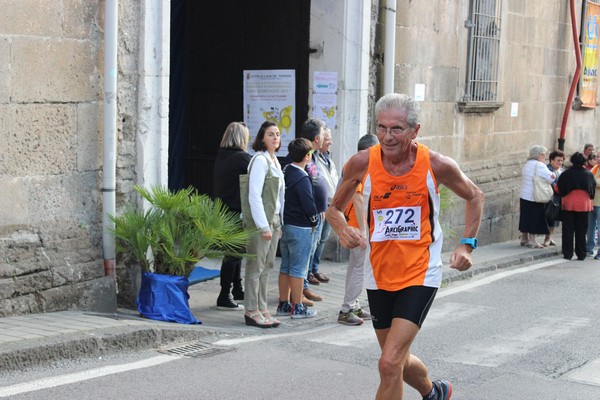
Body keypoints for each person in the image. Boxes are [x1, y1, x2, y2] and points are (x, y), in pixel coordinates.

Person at [326, 93, 484, 400]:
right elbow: (333, 210)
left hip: (420, 272)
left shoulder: (436, 165)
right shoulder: (361, 163)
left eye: (396, 128)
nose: (387, 137)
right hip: (379, 273)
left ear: (415, 130)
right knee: (395, 358)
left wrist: (467, 246)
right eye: (382, 127)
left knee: (388, 363)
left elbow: (475, 195)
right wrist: (343, 230)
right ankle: (434, 392)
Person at [244, 121, 285, 328]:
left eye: (277, 134)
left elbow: (279, 198)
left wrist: (279, 223)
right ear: (262, 138)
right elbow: (254, 196)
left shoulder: (274, 160)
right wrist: (263, 225)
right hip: (262, 222)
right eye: (271, 134)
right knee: (255, 266)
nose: (275, 138)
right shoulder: (260, 160)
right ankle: (251, 310)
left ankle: (262, 307)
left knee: (267, 266)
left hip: (275, 220)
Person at [337, 133, 379, 326]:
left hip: (357, 223)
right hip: (357, 225)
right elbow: (358, 198)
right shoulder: (360, 165)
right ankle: (346, 310)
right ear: (368, 150)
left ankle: (354, 305)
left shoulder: (353, 164)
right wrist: (363, 231)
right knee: (358, 269)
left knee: (356, 268)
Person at [276, 138, 319, 319]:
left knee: (285, 266)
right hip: (300, 227)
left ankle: (284, 303)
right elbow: (308, 204)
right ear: (307, 156)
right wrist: (314, 220)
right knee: (299, 269)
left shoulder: (285, 170)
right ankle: (297, 306)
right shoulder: (302, 177)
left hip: (285, 224)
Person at [213, 122, 252, 310]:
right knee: (233, 255)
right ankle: (224, 294)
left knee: (235, 253)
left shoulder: (222, 156)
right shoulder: (242, 158)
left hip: (223, 210)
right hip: (235, 210)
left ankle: (236, 288)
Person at [309, 127, 339, 285]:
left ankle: (314, 269)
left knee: (322, 240)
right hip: (320, 206)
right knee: (315, 240)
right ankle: (308, 273)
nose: (330, 142)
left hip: (330, 204)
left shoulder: (328, 158)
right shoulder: (312, 158)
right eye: (327, 139)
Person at [557, 152, 595, 261]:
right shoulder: (588, 174)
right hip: (584, 205)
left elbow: (559, 188)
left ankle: (568, 253)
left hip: (568, 204)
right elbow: (592, 191)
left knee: (568, 230)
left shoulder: (566, 174)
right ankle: (581, 253)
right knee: (581, 230)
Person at [518, 145, 555, 248]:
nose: (544, 156)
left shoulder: (527, 164)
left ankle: (524, 238)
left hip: (524, 194)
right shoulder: (540, 165)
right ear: (538, 155)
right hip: (534, 196)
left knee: (525, 217)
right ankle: (532, 240)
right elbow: (551, 178)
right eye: (543, 154)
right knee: (534, 217)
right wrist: (553, 174)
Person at [543, 150, 565, 247]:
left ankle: (550, 237)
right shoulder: (548, 170)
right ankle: (547, 238)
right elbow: (552, 184)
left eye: (561, 160)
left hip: (557, 198)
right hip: (548, 197)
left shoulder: (561, 170)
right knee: (548, 218)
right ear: (551, 160)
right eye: (558, 160)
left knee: (554, 219)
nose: (560, 162)